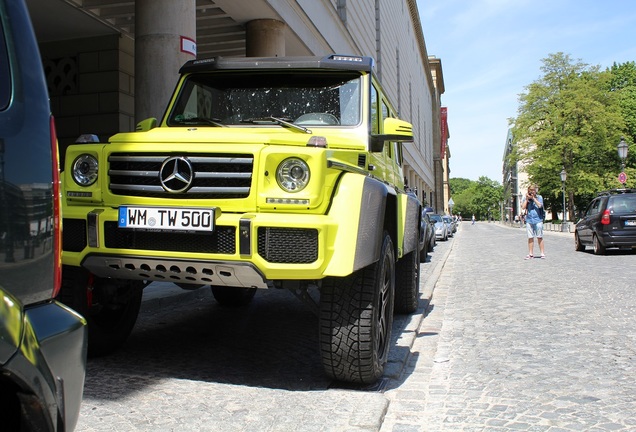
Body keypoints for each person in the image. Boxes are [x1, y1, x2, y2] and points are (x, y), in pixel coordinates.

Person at [521, 184, 545, 259]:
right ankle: (530, 253)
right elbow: (523, 207)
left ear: (535, 191)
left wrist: (534, 198)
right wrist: (527, 199)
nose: (532, 192)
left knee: (539, 236)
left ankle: (542, 253)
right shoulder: (526, 197)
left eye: (533, 190)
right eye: (530, 190)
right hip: (529, 220)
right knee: (530, 237)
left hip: (538, 219)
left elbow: (540, 205)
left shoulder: (539, 197)